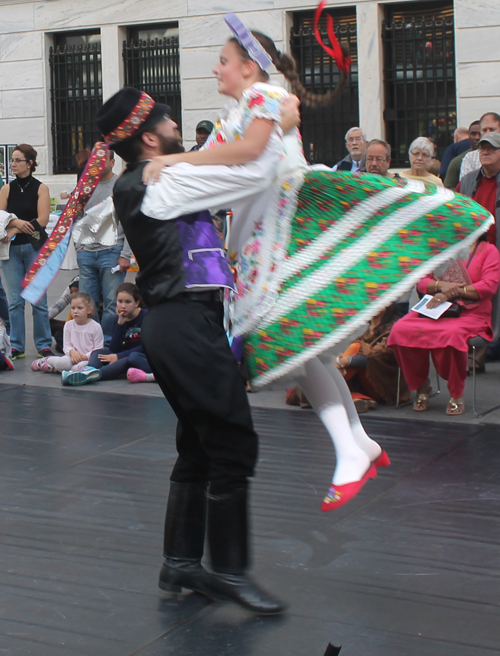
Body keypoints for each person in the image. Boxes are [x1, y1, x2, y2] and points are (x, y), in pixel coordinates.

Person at [388, 235, 500, 415]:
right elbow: (422, 282)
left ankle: (456, 394)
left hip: (472, 312)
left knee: (452, 334)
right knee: (400, 329)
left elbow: (489, 286)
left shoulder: (488, 251)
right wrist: (441, 286)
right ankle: (421, 385)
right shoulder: (442, 246)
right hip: (436, 308)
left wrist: (452, 293)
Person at [0, 144, 53, 360]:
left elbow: (42, 220)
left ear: (29, 163)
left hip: (34, 247)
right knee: (14, 300)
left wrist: (16, 226)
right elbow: (1, 216)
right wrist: (14, 225)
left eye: (17, 160)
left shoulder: (41, 188)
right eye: (11, 160)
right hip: (11, 249)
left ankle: (43, 344)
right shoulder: (6, 189)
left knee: (38, 298)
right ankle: (16, 346)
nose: (12, 164)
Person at [75, 149, 133, 345]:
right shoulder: (85, 187)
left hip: (112, 252)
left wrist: (126, 254)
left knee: (112, 303)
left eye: (102, 160)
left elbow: (130, 222)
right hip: (87, 254)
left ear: (112, 162)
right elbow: (76, 217)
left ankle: (108, 343)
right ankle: (91, 343)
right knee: (86, 302)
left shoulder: (121, 186)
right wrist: (79, 246)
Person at [62, 282, 152, 385]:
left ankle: (92, 375)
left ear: (137, 303)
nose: (123, 306)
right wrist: (120, 323)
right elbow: (114, 349)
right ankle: (88, 370)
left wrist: (118, 356)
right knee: (97, 353)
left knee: (132, 357)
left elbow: (146, 347)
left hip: (142, 356)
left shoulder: (146, 317)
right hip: (124, 354)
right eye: (120, 301)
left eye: (128, 302)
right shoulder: (118, 318)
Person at [31, 292, 104, 376]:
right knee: (62, 363)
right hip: (72, 357)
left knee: (77, 369)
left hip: (87, 359)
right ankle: (48, 360)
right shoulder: (69, 325)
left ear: (89, 310)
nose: (75, 311)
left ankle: (54, 369)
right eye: (73, 308)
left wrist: (84, 357)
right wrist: (72, 352)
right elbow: (66, 345)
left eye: (80, 308)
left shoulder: (96, 327)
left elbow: (98, 349)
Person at [460, 112, 500, 180]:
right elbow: (466, 186)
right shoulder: (470, 158)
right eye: (484, 130)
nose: (488, 133)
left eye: (492, 129)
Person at [444, 121, 481, 190]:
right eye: (474, 134)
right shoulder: (457, 161)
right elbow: (448, 187)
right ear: (468, 136)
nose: (477, 137)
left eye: (480, 134)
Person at [48, 275, 80, 353]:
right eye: (72, 292)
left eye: (76, 291)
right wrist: (43, 318)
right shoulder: (72, 307)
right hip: (71, 328)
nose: (73, 295)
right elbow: (59, 305)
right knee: (46, 324)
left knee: (59, 334)